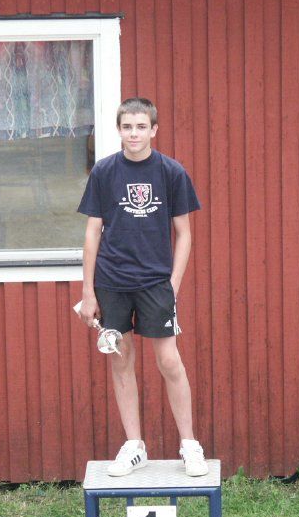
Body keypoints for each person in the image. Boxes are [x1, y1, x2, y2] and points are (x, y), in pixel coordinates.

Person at [77, 97, 207, 477]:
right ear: (119, 130)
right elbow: (92, 232)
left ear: (154, 130)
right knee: (121, 359)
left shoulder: (171, 172)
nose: (133, 133)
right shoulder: (104, 172)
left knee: (169, 360)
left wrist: (173, 284)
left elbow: (184, 234)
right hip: (111, 282)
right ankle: (134, 446)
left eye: (140, 127)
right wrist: (88, 291)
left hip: (155, 282)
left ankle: (189, 445)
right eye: (127, 127)